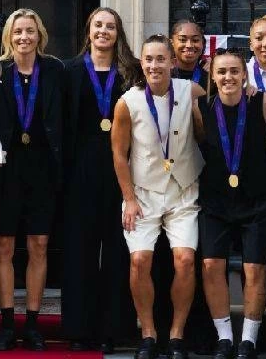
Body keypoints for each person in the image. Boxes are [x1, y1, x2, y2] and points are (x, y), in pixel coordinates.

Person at [111, 35, 206, 359]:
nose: (154, 65)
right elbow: (119, 153)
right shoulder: (128, 102)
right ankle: (148, 333)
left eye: (160, 59)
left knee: (185, 260)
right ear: (142, 62)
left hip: (182, 192)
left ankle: (177, 335)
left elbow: (222, 112)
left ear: (172, 62)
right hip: (143, 194)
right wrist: (129, 199)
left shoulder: (190, 91)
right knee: (139, 260)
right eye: (148, 59)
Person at [0, 8, 66, 351]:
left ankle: (31, 323)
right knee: (3, 245)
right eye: (18, 32)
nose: (24, 37)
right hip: (5, 168)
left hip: (43, 168)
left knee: (38, 245)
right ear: (9, 36)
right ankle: (6, 324)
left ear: (39, 34)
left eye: (30, 31)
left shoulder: (55, 70)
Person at [61, 8, 139, 353]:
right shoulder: (71, 71)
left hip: (123, 170)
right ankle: (80, 329)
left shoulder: (132, 72)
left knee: (119, 251)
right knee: (81, 251)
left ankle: (116, 328)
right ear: (88, 31)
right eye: (98, 25)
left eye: (110, 26)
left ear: (117, 32)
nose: (103, 31)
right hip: (82, 171)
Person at [195, 50, 266, 359]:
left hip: (257, 199)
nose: (228, 77)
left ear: (245, 75)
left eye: (234, 71)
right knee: (211, 265)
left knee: (254, 268)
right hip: (216, 199)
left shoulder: (263, 103)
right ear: (213, 77)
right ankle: (225, 338)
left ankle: (249, 340)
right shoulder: (200, 108)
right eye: (222, 72)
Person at [170, 20, 210, 91]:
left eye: (195, 40)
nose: (189, 45)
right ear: (172, 43)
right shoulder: (163, 74)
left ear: (202, 43)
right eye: (182, 40)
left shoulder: (211, 77)